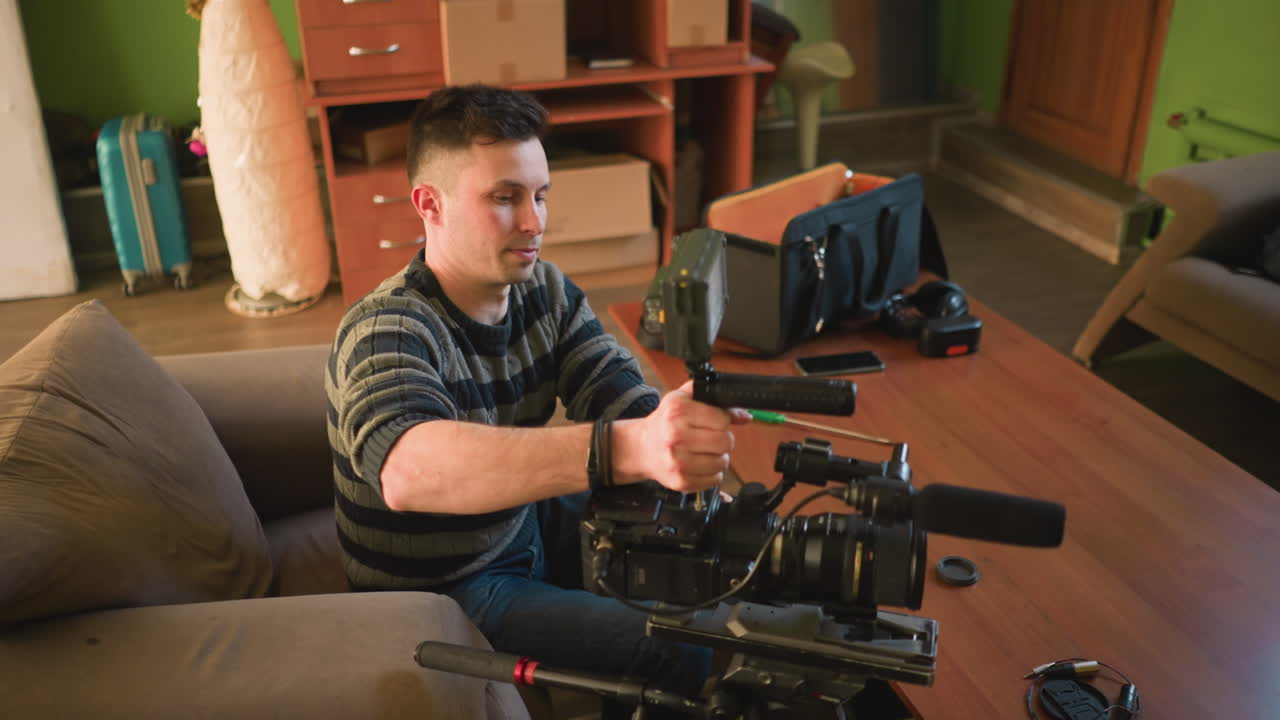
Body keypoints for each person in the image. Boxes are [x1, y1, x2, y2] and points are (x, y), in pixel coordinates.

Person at [324, 84, 749, 714]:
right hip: (446, 589)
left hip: (519, 524)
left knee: (713, 550)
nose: (534, 221)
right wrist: (629, 448)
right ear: (429, 204)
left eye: (540, 195)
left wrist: (670, 436)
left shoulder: (542, 289)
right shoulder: (385, 329)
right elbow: (409, 471)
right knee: (681, 643)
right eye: (505, 198)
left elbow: (614, 391)